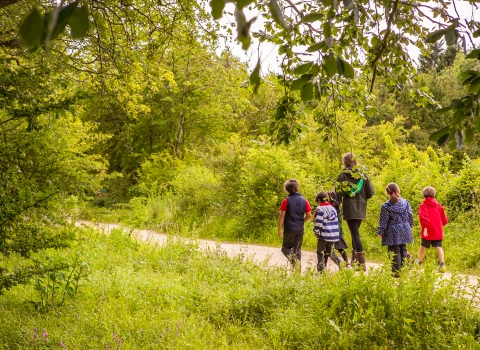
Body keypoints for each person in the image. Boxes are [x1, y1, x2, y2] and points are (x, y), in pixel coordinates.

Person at [336, 152, 375, 271]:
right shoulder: (363, 175)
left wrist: (337, 205)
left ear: (345, 162)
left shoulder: (343, 175)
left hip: (350, 208)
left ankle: (362, 264)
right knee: (355, 233)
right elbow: (371, 192)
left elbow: (339, 193)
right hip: (361, 208)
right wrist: (362, 199)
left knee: (355, 235)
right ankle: (355, 261)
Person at [377, 183, 414, 276]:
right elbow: (410, 215)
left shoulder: (385, 206)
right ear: (398, 191)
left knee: (394, 250)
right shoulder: (405, 203)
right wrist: (409, 226)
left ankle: (396, 272)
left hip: (392, 230)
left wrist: (380, 231)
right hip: (405, 228)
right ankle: (404, 270)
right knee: (403, 249)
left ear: (387, 193)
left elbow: (383, 221)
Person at [277, 179, 312, 269]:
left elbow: (282, 216)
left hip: (289, 228)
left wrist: (279, 229)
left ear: (287, 189)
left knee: (285, 248)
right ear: (297, 188)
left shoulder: (286, 201)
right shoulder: (304, 200)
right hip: (300, 229)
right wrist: (302, 221)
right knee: (297, 250)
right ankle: (297, 271)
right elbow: (309, 215)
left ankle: (295, 262)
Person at [417, 186, 448, 272]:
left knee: (423, 246)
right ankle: (442, 265)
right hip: (437, 230)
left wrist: (425, 228)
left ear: (424, 195)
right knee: (439, 247)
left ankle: (419, 263)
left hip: (428, 230)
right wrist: (444, 223)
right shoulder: (438, 205)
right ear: (434, 194)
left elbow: (424, 218)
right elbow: (443, 217)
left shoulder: (423, 205)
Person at [313, 191, 341, 273]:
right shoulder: (333, 209)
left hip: (324, 235)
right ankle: (341, 265)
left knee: (320, 252)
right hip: (333, 235)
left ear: (319, 200)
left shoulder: (320, 209)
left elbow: (319, 223)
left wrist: (316, 231)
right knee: (330, 253)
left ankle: (320, 271)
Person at [327, 191, 352, 269]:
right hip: (339, 231)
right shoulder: (336, 206)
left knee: (328, 250)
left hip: (332, 231)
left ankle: (342, 264)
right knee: (340, 249)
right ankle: (347, 263)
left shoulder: (330, 207)